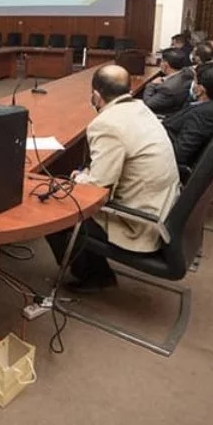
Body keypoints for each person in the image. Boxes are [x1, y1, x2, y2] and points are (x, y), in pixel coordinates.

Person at [46, 65, 180, 292]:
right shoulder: (140, 107)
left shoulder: (106, 124)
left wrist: (79, 178)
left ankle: (93, 276)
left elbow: (98, 187)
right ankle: (97, 272)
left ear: (96, 95)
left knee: (53, 212)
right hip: (164, 207)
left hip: (139, 221)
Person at [163, 62, 213, 168]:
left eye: (194, 81)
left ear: (200, 89)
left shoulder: (205, 115)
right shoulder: (212, 103)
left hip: (162, 153)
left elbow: (179, 153)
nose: (192, 84)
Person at [141, 48, 193, 115]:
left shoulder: (168, 89)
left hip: (162, 115)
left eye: (161, 61)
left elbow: (148, 104)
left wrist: (151, 84)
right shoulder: (188, 72)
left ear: (165, 64)